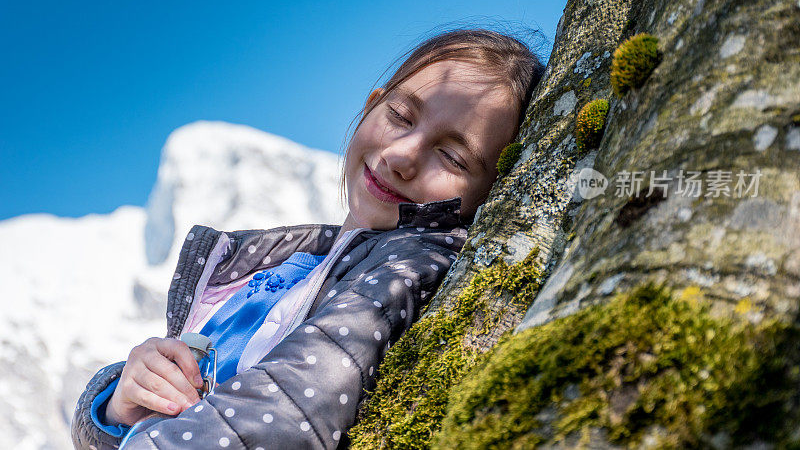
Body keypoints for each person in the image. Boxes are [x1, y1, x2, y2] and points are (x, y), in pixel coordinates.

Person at [71, 27, 546, 449]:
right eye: (401, 115)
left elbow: (290, 410)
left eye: (454, 158)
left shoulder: (406, 268)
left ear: (492, 193)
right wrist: (118, 408)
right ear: (371, 105)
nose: (403, 155)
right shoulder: (277, 265)